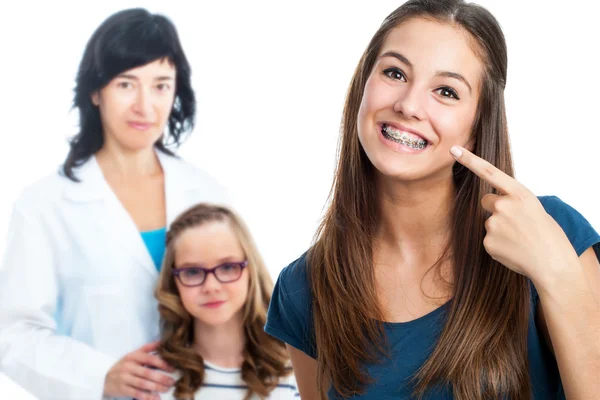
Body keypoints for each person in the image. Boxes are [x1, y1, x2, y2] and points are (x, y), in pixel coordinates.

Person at [264, 1, 600, 399]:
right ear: (362, 87)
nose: (408, 105)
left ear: (478, 125)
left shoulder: (550, 232)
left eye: (446, 91)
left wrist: (558, 275)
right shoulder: (304, 287)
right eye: (394, 72)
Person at [0, 8, 230, 400]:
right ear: (96, 91)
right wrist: (100, 376)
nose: (145, 106)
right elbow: (13, 334)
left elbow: (242, 308)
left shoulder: (207, 193)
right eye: (126, 85)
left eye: (161, 85)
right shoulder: (45, 205)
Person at [154, 203, 298, 400]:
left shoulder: (294, 371)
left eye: (228, 267)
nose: (211, 286)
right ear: (173, 281)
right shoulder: (153, 378)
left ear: (251, 271)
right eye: (193, 272)